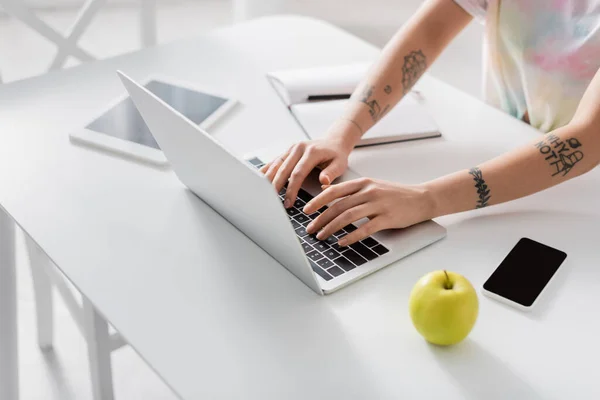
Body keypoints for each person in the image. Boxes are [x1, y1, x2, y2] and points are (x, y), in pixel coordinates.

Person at [261, 0, 600, 247]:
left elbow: (587, 139)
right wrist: (341, 133)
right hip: (498, 153)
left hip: (581, 199)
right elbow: (428, 31)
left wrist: (425, 199)